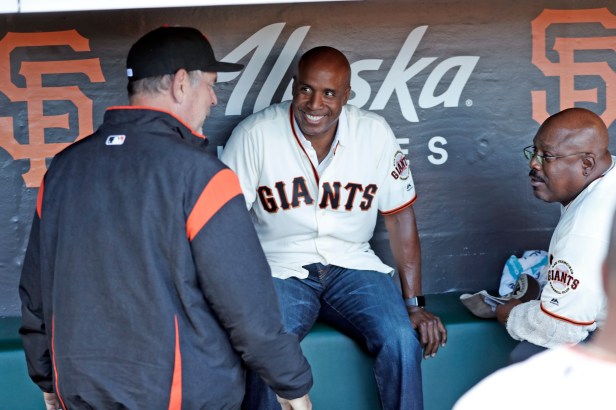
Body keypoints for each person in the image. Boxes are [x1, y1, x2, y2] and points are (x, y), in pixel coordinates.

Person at [19, 26, 312, 410]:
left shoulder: (62, 170)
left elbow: (36, 295)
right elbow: (247, 308)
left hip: (81, 395)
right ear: (179, 84)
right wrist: (290, 385)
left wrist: (47, 378)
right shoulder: (201, 176)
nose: (213, 97)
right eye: (209, 84)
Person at [221, 46, 447, 410]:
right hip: (280, 268)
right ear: (293, 86)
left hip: (354, 266)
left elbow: (400, 217)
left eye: (329, 93)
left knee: (401, 339)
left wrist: (414, 304)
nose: (315, 104)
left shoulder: (373, 133)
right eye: (306, 89)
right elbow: (224, 224)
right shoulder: (256, 134)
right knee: (267, 347)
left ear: (346, 96)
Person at [454, 207, 616, 410]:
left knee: (525, 353)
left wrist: (512, 314)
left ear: (601, 275)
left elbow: (558, 328)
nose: (535, 172)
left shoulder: (487, 398)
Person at [495, 107, 616, 362]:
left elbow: (559, 329)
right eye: (534, 152)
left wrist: (510, 314)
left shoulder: (584, 229)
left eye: (547, 156)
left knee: (527, 358)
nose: (533, 164)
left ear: (586, 164)